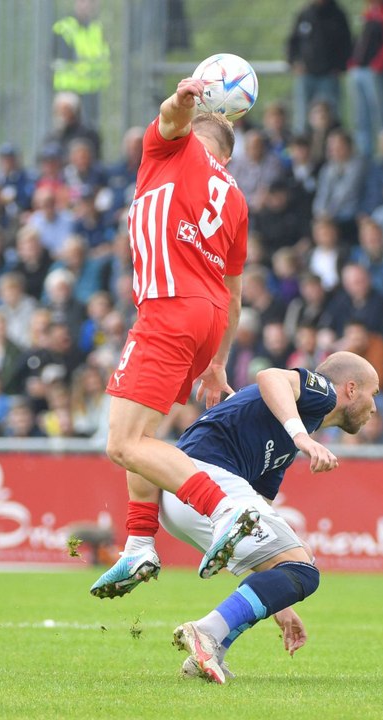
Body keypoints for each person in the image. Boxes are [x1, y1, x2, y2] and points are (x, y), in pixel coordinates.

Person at [89, 74, 257, 599]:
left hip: (169, 308)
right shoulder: (235, 198)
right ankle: (139, 544)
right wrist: (219, 362)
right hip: (206, 320)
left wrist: (180, 99)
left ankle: (225, 509)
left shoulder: (174, 149)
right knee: (135, 431)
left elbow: (170, 119)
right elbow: (234, 292)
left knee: (123, 442)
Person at [155, 352, 379, 683]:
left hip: (181, 499)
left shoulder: (287, 432)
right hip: (204, 478)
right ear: (350, 388)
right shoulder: (322, 395)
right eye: (372, 394)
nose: (374, 407)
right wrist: (301, 438)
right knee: (304, 569)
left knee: (297, 565)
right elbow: (270, 376)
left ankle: (209, 652)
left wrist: (280, 603)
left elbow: (260, 529)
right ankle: (207, 631)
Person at [346, 0, 383, 159]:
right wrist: (354, 64)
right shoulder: (370, 12)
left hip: (379, 72)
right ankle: (365, 155)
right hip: (361, 70)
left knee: (382, 115)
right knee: (361, 117)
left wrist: (378, 65)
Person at [285, 0, 352, 135]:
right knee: (302, 117)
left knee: (332, 116)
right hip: (306, 74)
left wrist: (340, 66)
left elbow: (347, 43)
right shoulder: (305, 14)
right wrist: (294, 62)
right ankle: (304, 150)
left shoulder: (338, 15)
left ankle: (332, 150)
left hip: (329, 75)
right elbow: (293, 42)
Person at [51, 0, 110, 125]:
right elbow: (60, 59)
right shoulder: (65, 28)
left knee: (90, 131)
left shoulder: (96, 29)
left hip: (92, 92)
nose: (87, 5)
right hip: (69, 91)